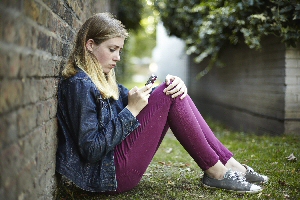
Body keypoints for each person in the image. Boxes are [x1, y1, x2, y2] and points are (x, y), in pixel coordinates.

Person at [56, 12, 268, 194]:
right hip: (109, 174)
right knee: (168, 93)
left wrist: (176, 85)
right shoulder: (79, 85)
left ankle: (231, 166)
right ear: (90, 45)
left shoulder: (99, 79)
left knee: (170, 88)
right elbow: (91, 149)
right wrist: (131, 110)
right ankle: (217, 174)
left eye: (120, 50)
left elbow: (129, 99)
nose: (118, 57)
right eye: (112, 49)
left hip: (115, 164)